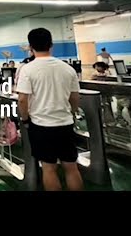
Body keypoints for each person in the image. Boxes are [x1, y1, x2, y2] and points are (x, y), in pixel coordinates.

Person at [16, 28, 83, 191]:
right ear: (51, 45)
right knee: (71, 167)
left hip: (41, 126)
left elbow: (22, 99)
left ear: (31, 47)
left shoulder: (28, 69)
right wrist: (72, 113)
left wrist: (25, 119)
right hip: (65, 124)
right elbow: (75, 97)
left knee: (49, 168)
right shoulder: (67, 68)